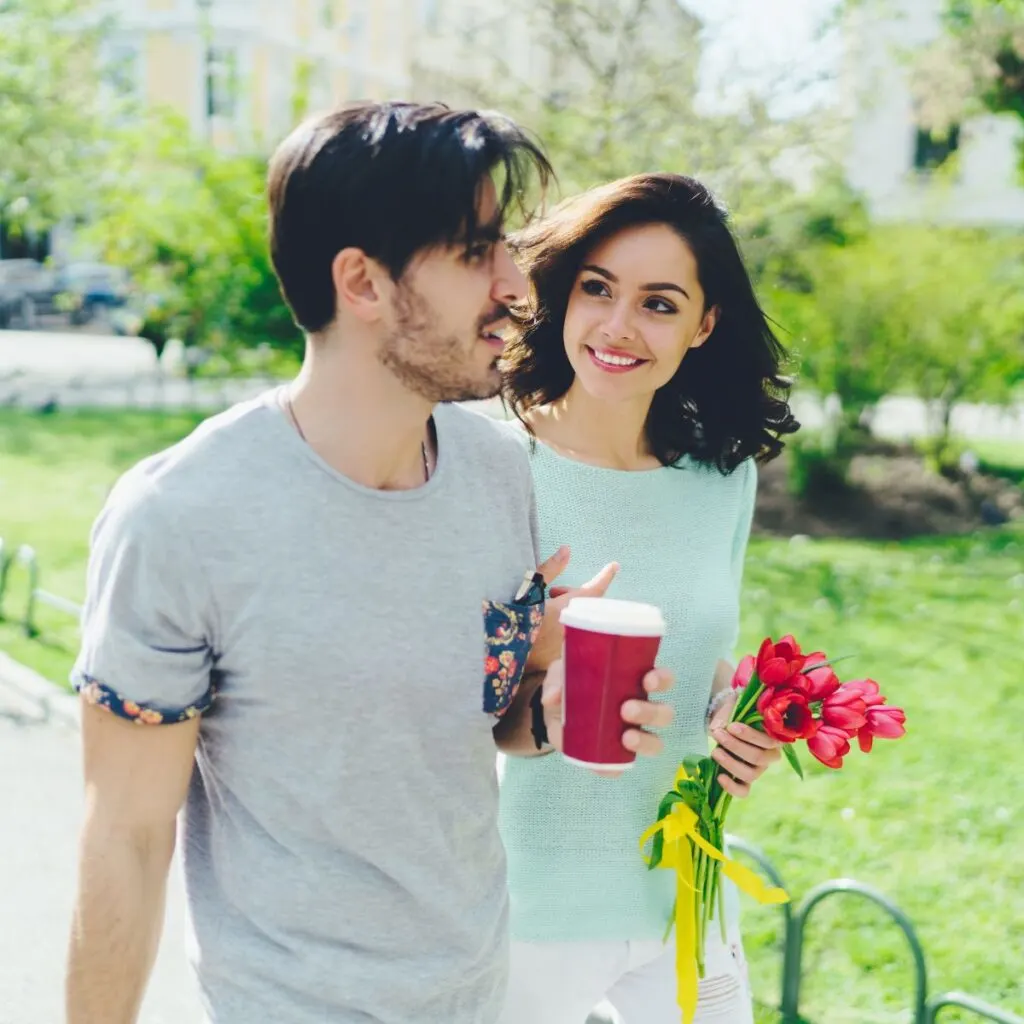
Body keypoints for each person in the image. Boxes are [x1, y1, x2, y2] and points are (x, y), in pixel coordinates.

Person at [64, 103, 677, 1024]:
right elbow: (126, 839)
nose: (518, 285)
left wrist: (542, 707)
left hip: (475, 992)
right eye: (478, 253)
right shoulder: (182, 517)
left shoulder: (496, 471)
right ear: (363, 281)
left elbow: (471, 724)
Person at [496, 171, 800, 1024]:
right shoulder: (491, 467)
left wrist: (739, 725)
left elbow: (702, 667)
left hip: (685, 892)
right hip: (524, 900)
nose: (618, 327)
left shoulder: (720, 480)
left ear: (704, 326)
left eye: (659, 304)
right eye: (598, 289)